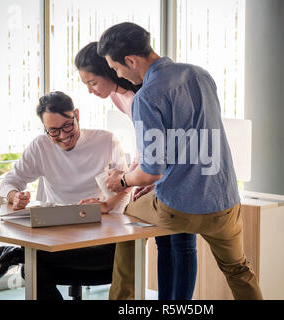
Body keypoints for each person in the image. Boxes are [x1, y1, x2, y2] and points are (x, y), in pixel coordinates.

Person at [97, 22, 263, 300]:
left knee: (127, 220)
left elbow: (151, 172)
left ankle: (122, 301)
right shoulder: (201, 75)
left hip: (181, 209)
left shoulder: (146, 97)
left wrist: (122, 180)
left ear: (131, 60)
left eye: (116, 69)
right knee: (238, 270)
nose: (119, 74)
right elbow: (191, 138)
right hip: (226, 203)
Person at [74, 42, 197, 300]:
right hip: (156, 170)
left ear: (111, 71)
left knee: (181, 240)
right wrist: (132, 180)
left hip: (181, 170)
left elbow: (164, 141)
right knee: (162, 239)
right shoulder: (119, 97)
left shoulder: (146, 93)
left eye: (93, 83)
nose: (90, 91)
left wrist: (132, 180)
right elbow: (143, 145)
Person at [0, 91, 131, 300]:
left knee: (33, 262)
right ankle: (21, 253)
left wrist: (107, 204)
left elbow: (126, 186)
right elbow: (9, 182)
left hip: (102, 239)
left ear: (77, 115)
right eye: (53, 131)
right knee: (33, 268)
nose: (63, 136)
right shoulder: (41, 146)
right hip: (55, 238)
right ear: (45, 129)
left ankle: (18, 253)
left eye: (67, 126)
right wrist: (13, 196)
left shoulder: (106, 141)